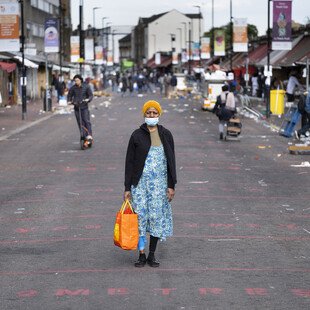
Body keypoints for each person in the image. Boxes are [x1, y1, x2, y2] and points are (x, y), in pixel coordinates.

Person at [124, 100, 177, 268]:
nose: (151, 116)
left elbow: (171, 162)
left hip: (159, 186)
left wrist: (171, 185)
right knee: (139, 218)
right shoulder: (136, 135)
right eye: (149, 113)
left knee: (155, 218)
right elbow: (129, 162)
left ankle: (152, 254)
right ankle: (141, 254)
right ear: (144, 115)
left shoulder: (166, 134)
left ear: (159, 115)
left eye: (154, 113)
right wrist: (127, 187)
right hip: (139, 185)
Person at [67, 74, 94, 148]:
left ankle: (89, 136)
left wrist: (88, 99)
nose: (76, 82)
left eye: (77, 80)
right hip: (76, 107)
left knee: (86, 121)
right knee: (80, 122)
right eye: (75, 81)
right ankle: (83, 135)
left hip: (84, 107)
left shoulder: (86, 86)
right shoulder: (73, 88)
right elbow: (69, 95)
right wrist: (69, 101)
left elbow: (90, 95)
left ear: (81, 80)